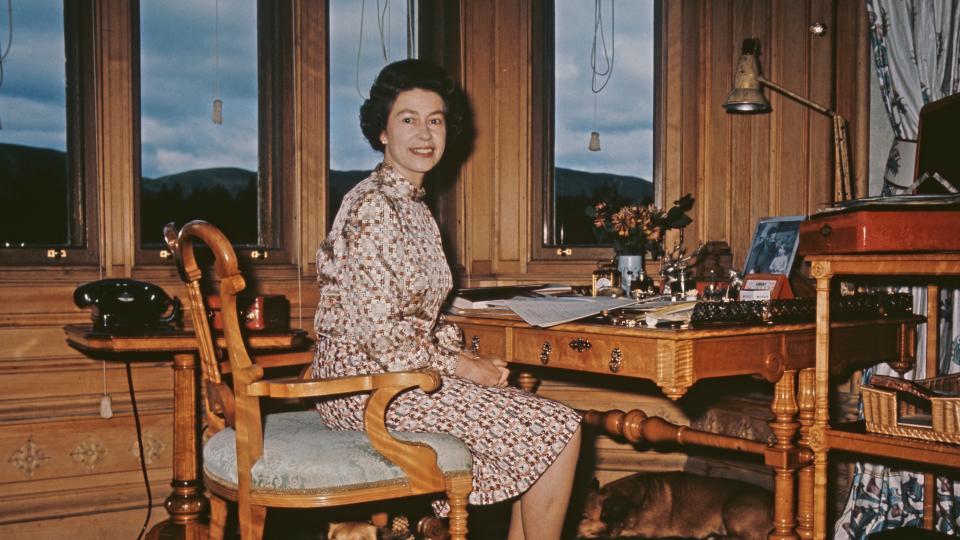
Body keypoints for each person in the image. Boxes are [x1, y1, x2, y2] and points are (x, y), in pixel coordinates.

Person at [311, 59, 582, 540]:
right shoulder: (375, 206)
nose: (424, 133)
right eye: (407, 119)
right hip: (364, 386)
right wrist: (463, 367)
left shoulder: (411, 205)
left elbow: (414, 319)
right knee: (560, 430)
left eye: (434, 120)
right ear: (381, 131)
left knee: (545, 425)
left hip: (390, 373)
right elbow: (379, 335)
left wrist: (466, 360)